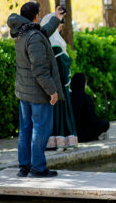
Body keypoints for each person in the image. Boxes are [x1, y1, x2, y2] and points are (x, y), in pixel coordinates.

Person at [7, 2, 65, 177]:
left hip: (25, 92)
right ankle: (38, 168)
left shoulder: (22, 32)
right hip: (38, 93)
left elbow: (42, 32)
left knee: (26, 129)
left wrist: (57, 18)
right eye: (39, 14)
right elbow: (39, 69)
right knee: (40, 129)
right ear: (35, 16)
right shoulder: (33, 37)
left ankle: (24, 166)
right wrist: (52, 91)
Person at [40, 13, 78, 149]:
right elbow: (62, 65)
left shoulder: (44, 42)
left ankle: (50, 142)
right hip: (59, 86)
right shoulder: (55, 42)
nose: (61, 27)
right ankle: (60, 142)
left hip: (48, 85)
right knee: (60, 114)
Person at [70, 73, 110, 142]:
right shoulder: (86, 98)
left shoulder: (68, 98)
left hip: (71, 133)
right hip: (85, 134)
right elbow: (92, 119)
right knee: (105, 123)